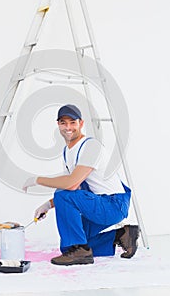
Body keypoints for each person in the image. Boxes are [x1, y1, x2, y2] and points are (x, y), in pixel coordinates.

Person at [22, 104, 140, 266]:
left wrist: (37, 180)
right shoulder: (67, 151)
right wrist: (47, 205)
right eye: (63, 122)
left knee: (63, 198)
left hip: (112, 204)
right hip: (96, 204)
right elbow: (74, 189)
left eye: (73, 122)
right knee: (79, 244)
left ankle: (79, 251)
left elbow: (70, 185)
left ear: (81, 124)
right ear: (58, 125)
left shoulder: (91, 147)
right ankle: (121, 234)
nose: (68, 127)